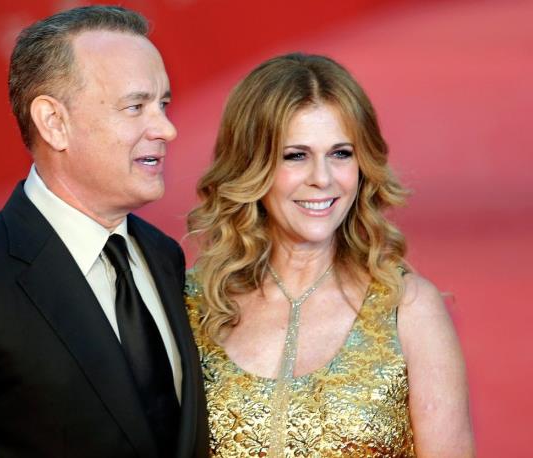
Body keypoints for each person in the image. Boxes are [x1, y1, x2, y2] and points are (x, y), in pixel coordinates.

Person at [0, 6, 208, 457]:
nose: (167, 129)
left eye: (163, 105)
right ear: (54, 122)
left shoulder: (162, 255)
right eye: (136, 107)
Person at [186, 53, 474, 457]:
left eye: (341, 153)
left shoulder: (407, 307)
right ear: (251, 165)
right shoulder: (194, 304)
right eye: (295, 155)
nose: (322, 178)